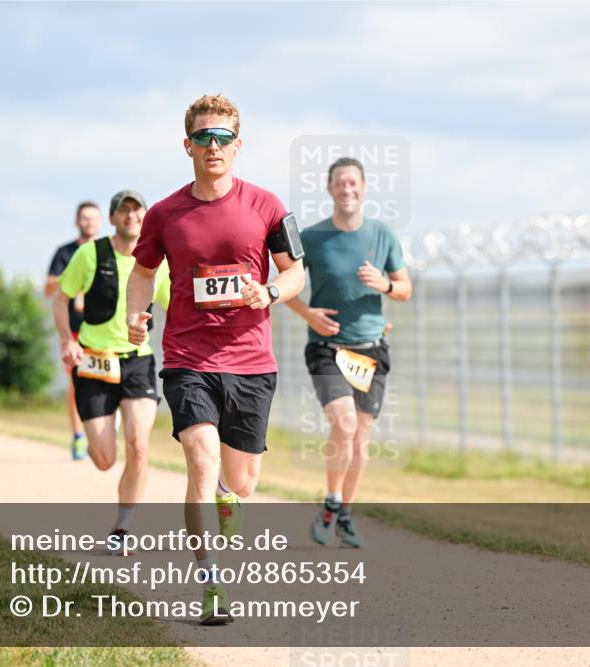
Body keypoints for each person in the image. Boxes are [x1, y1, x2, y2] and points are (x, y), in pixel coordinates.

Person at [126, 94, 305, 625]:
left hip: (251, 361)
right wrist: (138, 314)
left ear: (238, 145)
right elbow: (142, 273)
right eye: (203, 136)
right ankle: (211, 584)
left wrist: (269, 293)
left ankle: (230, 494)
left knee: (242, 481)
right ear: (187, 145)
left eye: (223, 137)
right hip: (188, 358)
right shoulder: (164, 213)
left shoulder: (267, 206)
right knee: (201, 463)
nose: (213, 146)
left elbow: (295, 272)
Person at [286, 157, 412, 548]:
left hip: (371, 350)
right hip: (326, 349)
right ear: (329, 189)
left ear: (364, 187)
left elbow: (405, 289)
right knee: (344, 424)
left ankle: (344, 514)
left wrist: (384, 285)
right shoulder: (312, 237)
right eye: (340, 183)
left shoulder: (382, 234)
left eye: (353, 182)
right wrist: (308, 313)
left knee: (360, 438)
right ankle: (331, 501)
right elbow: (286, 284)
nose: (347, 189)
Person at [56, 189, 170, 550]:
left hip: (138, 360)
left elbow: (176, 308)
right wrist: (67, 340)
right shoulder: (90, 254)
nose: (131, 216)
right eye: (124, 210)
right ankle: (103, 430)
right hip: (95, 360)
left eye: (137, 210)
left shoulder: (159, 262)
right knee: (105, 459)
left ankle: (122, 528)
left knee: (139, 445)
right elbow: (61, 298)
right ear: (112, 218)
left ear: (146, 216)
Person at [46, 201, 103, 460]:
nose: (89, 222)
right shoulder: (65, 253)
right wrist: (73, 275)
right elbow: (49, 289)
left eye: (93, 218)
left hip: (104, 330)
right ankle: (79, 436)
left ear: (101, 221)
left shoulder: (108, 251)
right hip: (75, 331)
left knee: (111, 379)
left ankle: (104, 430)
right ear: (77, 221)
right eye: (84, 218)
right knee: (76, 384)